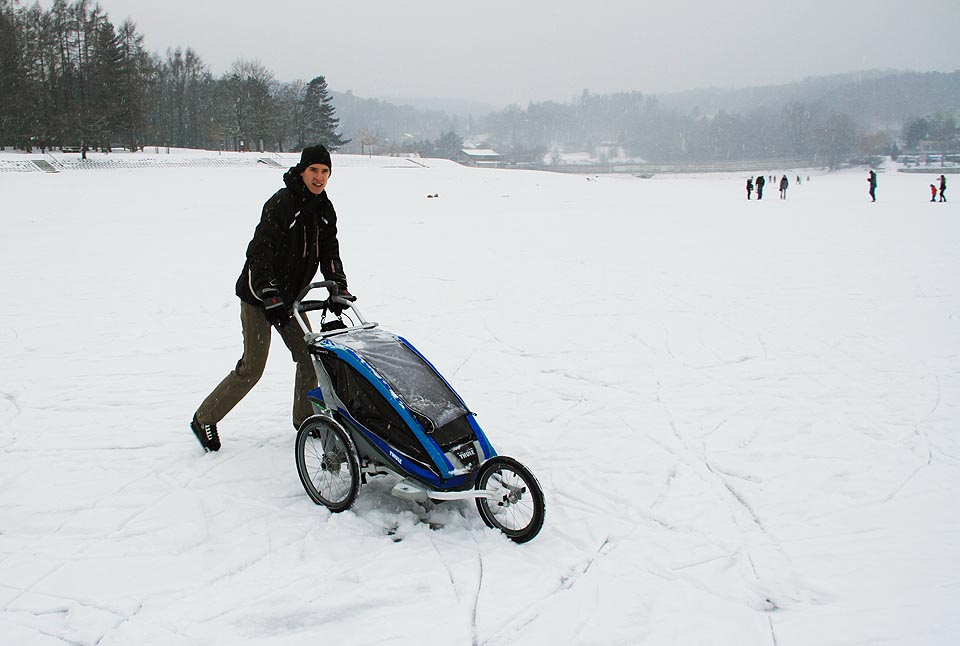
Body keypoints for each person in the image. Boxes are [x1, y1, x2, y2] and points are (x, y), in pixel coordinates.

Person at [190, 145, 353, 452]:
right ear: (302, 171)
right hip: (258, 296)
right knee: (252, 367)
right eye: (313, 171)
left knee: (308, 355)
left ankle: (305, 420)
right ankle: (205, 417)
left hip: (289, 298)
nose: (319, 178)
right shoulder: (282, 204)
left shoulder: (325, 210)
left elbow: (330, 251)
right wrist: (270, 295)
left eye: (325, 172)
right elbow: (259, 254)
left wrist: (337, 285)